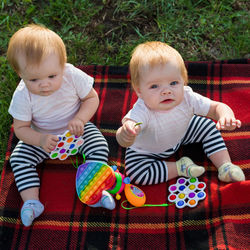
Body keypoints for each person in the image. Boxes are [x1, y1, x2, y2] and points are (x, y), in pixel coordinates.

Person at [7, 24, 115, 227]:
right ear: (19, 73)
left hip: (75, 129)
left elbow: (91, 98)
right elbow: (20, 129)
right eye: (34, 79)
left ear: (63, 64)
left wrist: (80, 119)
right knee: (19, 159)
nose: (44, 84)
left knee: (98, 144)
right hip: (42, 137)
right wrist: (39, 139)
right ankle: (31, 201)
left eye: (51, 76)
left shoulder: (72, 76)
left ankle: (95, 189)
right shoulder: (22, 95)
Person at [116, 41, 245, 186]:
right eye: (154, 86)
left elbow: (216, 108)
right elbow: (125, 133)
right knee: (137, 174)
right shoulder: (142, 110)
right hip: (147, 150)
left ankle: (225, 166)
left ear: (184, 81)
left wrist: (225, 116)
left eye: (173, 83)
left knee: (208, 127)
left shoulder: (187, 97)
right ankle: (180, 167)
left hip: (181, 134)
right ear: (139, 91)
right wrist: (126, 134)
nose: (166, 91)